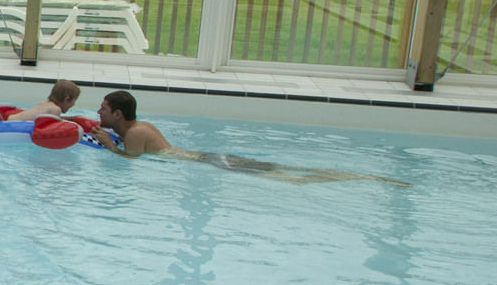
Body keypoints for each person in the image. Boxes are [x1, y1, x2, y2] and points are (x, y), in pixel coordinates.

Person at [88, 90, 404, 184]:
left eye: (103, 110)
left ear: (118, 114)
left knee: (292, 180)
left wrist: (108, 146)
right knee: (282, 171)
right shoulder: (140, 126)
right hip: (211, 157)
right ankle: (362, 176)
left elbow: (130, 162)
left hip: (214, 164)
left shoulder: (135, 135)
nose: (99, 113)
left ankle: (362, 178)